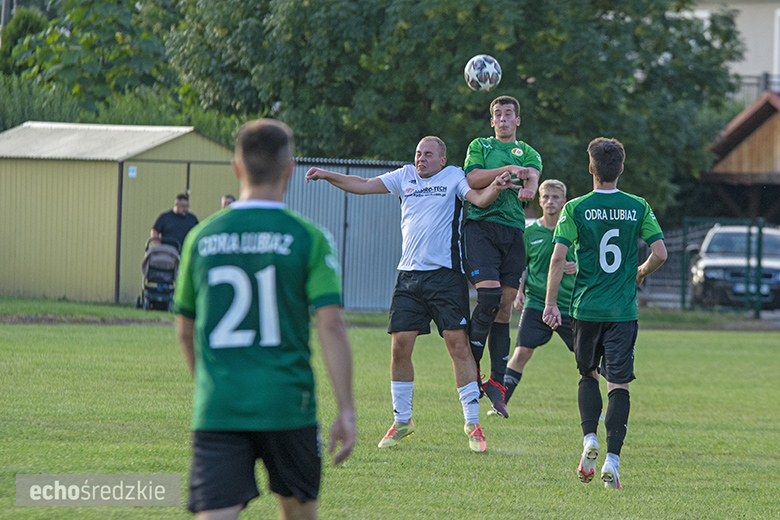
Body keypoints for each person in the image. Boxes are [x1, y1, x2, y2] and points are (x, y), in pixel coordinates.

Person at [173, 119, 356, 520]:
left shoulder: (201, 238)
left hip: (220, 406)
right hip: (289, 406)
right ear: (289, 167)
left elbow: (185, 332)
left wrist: (212, 385)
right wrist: (346, 409)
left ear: (237, 167)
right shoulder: (308, 236)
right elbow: (331, 325)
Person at [306, 136, 518, 453]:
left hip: (446, 276)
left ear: (442, 160)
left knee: (458, 346)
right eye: (418, 153)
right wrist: (327, 174)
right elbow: (363, 184)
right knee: (399, 347)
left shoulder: (453, 176)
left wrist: (497, 187)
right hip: (409, 277)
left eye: (428, 154)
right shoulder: (403, 176)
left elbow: (479, 199)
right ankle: (402, 421)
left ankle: (473, 423)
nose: (421, 159)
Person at [543, 137, 667, 490]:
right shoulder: (638, 206)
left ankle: (589, 441)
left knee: (587, 374)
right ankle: (612, 460)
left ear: (590, 168)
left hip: (585, 308)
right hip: (623, 311)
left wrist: (550, 304)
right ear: (621, 168)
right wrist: (641, 270)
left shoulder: (574, 208)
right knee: (620, 383)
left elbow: (557, 258)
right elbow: (661, 252)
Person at [462, 95, 542, 418]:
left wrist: (530, 188)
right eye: (498, 114)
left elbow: (533, 176)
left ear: (517, 120)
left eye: (510, 114)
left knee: (505, 307)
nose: (504, 119)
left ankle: (496, 382)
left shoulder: (530, 152)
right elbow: (472, 179)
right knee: (489, 296)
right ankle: (470, 359)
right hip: (481, 227)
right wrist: (507, 169)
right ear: (492, 121)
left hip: (513, 230)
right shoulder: (480, 145)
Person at [492, 179, 577, 416]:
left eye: (555, 197)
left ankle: (596, 408)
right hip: (537, 303)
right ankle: (500, 403)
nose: (550, 201)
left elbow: (589, 261)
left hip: (570, 304)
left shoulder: (574, 229)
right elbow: (519, 266)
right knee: (521, 352)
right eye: (546, 197)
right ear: (539, 200)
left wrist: (577, 266)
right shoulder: (529, 233)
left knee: (586, 357)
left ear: (564, 201)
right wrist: (518, 292)